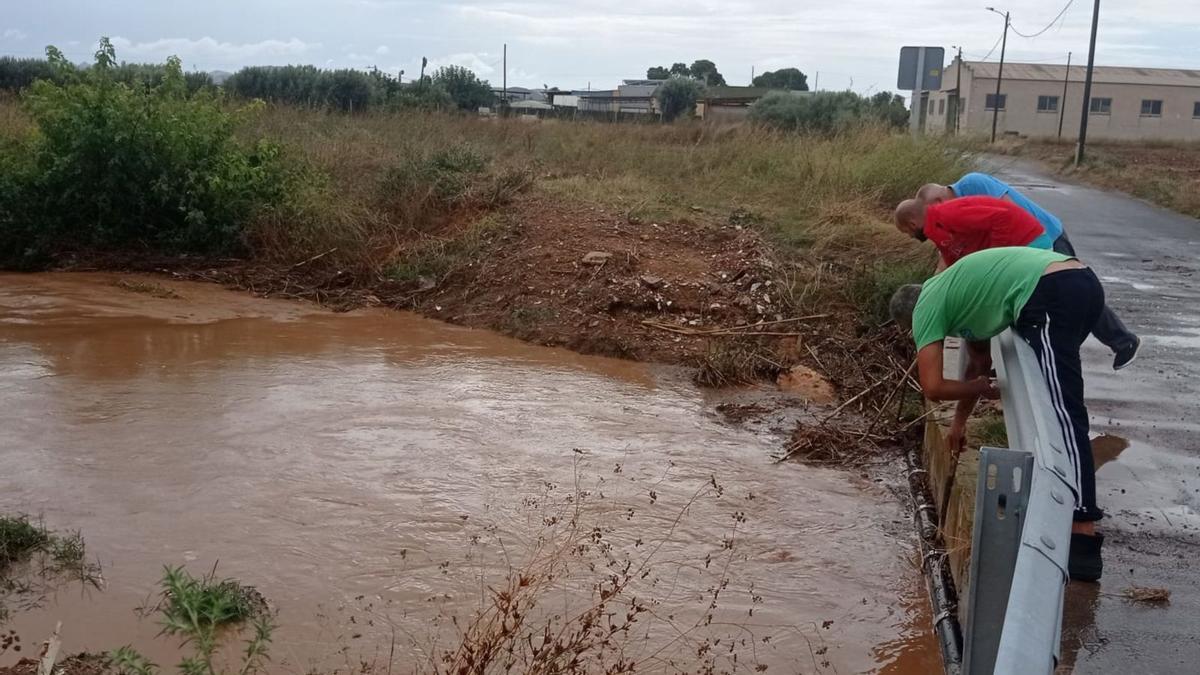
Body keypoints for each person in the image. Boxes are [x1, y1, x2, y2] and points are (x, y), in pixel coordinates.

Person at [889, 246, 1105, 581]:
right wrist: (959, 423)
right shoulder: (957, 297)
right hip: (1078, 281)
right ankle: (1076, 521)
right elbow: (979, 367)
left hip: (1050, 293)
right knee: (1055, 399)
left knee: (1064, 411)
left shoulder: (925, 308)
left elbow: (932, 386)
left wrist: (981, 389)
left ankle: (1083, 529)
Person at [917, 173, 1140, 370]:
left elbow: (1009, 209)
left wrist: (1000, 260)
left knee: (1072, 289)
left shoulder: (973, 183)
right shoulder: (951, 217)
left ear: (937, 201)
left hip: (1044, 236)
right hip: (1022, 250)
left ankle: (1122, 340)